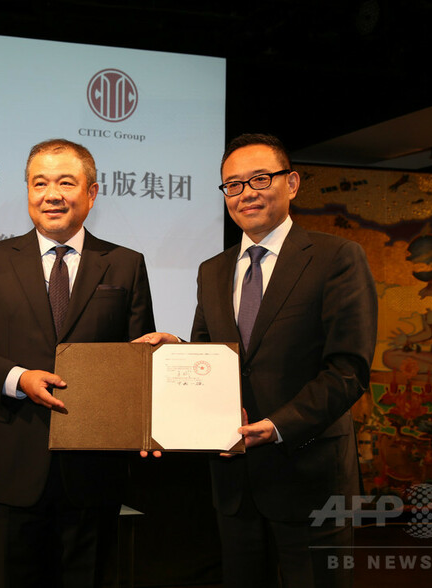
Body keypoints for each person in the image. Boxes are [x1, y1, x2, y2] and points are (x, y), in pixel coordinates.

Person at [136, 133, 378, 587]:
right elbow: (214, 360)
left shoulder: (337, 258)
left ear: (292, 183)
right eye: (233, 184)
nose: (246, 193)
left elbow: (348, 369)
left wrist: (278, 425)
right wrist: (176, 352)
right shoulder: (213, 270)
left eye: (260, 179)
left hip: (310, 477)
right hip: (235, 483)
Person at [0, 138, 156, 588]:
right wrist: (19, 378)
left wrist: (149, 422)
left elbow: (138, 362)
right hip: (11, 463)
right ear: (27, 191)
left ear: (92, 193)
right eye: (39, 183)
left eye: (66, 182)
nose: (52, 194)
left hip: (94, 470)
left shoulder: (125, 264)